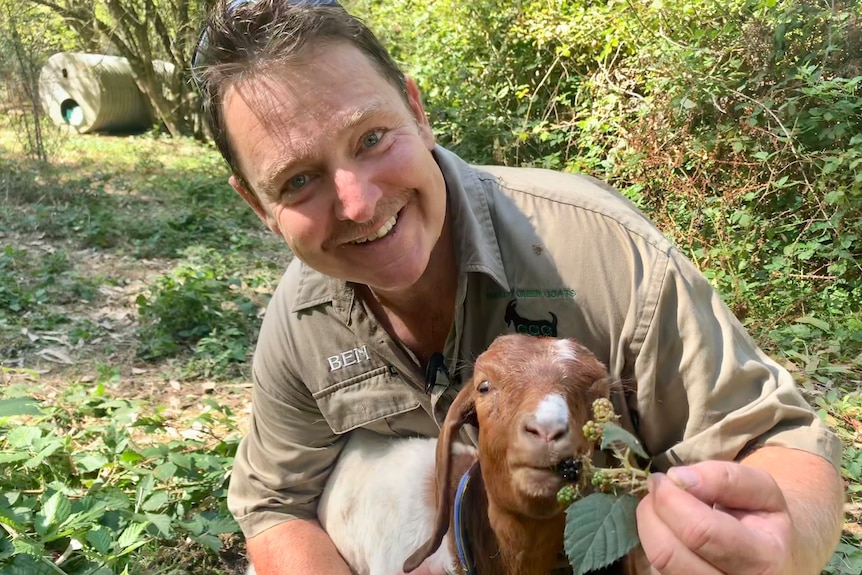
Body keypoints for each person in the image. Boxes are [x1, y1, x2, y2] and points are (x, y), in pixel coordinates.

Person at [192, 1, 844, 573]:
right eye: (297, 181)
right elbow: (275, 504)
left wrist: (782, 540)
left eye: (371, 137)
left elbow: (778, 444)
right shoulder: (302, 323)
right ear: (257, 204)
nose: (358, 202)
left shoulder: (603, 255)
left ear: (418, 114)